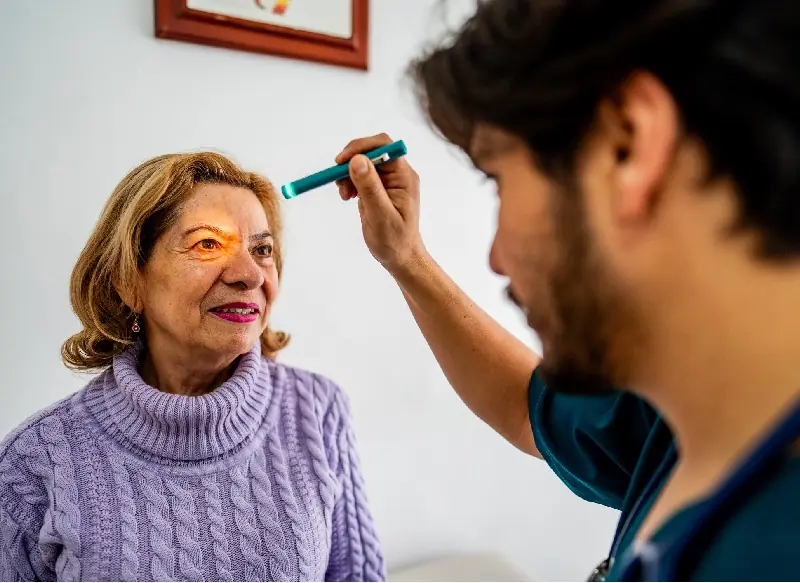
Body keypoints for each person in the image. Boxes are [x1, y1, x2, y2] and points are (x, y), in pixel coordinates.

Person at [334, 0, 800, 580]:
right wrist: (406, 260)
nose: (496, 257)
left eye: (498, 178)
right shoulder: (685, 412)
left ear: (627, 143)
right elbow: (527, 409)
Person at [0, 152, 385, 582]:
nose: (250, 275)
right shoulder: (34, 463)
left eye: (262, 250)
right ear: (128, 280)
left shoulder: (317, 409)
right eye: (207, 244)